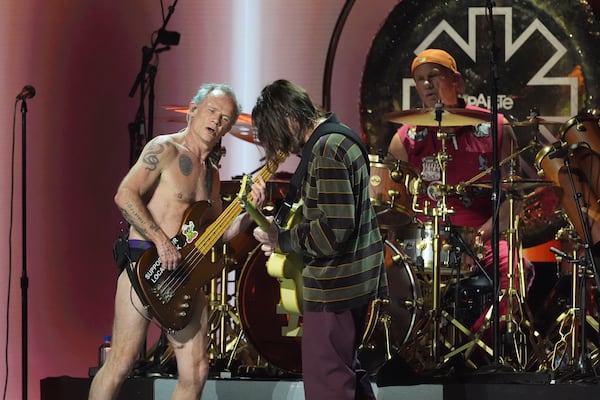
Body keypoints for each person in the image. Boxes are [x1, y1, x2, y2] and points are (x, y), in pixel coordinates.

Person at [89, 83, 266, 400]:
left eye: (225, 118)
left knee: (196, 372)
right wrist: (160, 240)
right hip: (147, 266)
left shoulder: (211, 174)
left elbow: (215, 234)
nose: (216, 121)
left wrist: (249, 213)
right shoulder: (165, 149)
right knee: (121, 362)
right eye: (211, 110)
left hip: (183, 276)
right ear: (193, 110)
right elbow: (125, 194)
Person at [251, 79, 387, 400]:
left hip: (333, 287)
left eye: (279, 136)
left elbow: (330, 233)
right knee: (345, 376)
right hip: (347, 283)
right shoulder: (337, 140)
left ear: (289, 118)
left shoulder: (326, 149)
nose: (285, 149)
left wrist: (282, 240)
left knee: (328, 385)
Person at [388, 49, 525, 351]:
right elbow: (390, 206)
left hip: (483, 239)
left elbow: (513, 200)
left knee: (517, 268)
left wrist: (480, 237)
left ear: (458, 82)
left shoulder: (495, 128)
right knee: (384, 274)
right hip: (424, 243)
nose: (426, 85)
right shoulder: (406, 138)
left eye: (434, 76)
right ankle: (411, 350)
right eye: (420, 80)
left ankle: (473, 345)